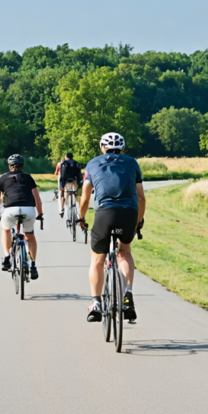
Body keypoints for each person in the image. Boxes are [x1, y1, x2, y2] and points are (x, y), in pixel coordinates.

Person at [78, 132, 145, 323]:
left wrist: (81, 218)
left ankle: (96, 303)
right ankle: (127, 294)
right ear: (122, 148)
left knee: (97, 259)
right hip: (129, 213)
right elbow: (141, 197)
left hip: (105, 213)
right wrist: (139, 221)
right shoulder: (132, 163)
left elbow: (85, 198)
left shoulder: (92, 164)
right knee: (124, 251)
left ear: (102, 147)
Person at [0, 154, 45, 280]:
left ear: (9, 165)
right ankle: (33, 265)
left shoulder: (2, 178)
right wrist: (40, 213)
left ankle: (6, 257)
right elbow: (37, 198)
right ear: (22, 165)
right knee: (30, 236)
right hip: (28, 209)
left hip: (10, 210)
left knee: (5, 230)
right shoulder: (28, 178)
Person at [56, 152, 82, 217]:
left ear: (65, 157)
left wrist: (61, 185)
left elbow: (59, 174)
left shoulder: (62, 163)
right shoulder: (76, 163)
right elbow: (79, 174)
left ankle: (61, 209)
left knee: (61, 194)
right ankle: (80, 212)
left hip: (66, 182)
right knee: (77, 195)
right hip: (75, 181)